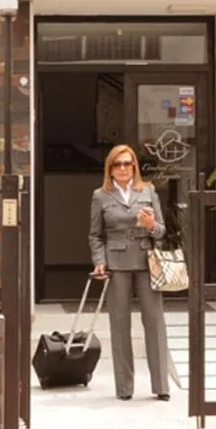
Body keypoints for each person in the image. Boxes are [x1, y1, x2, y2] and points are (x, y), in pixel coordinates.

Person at [88, 144, 171, 402]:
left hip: (146, 262)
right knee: (120, 325)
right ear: (110, 168)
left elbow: (162, 231)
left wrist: (151, 225)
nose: (123, 168)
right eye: (118, 164)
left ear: (134, 166)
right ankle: (124, 388)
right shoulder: (101, 195)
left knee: (155, 323)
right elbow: (95, 235)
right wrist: (99, 261)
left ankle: (161, 386)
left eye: (127, 163)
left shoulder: (148, 190)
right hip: (116, 265)